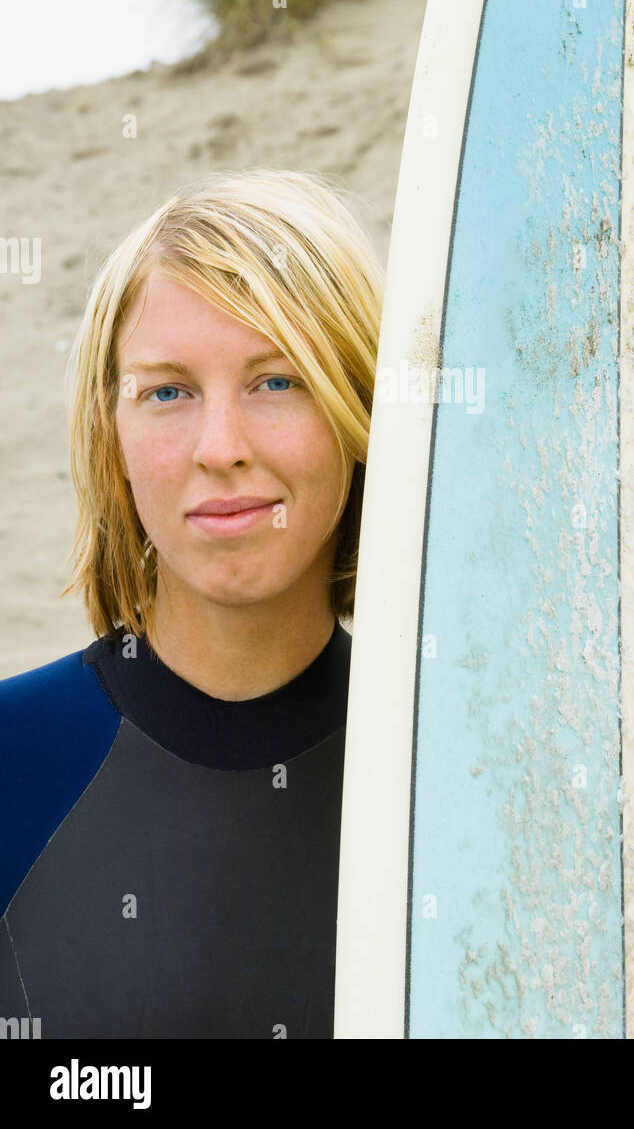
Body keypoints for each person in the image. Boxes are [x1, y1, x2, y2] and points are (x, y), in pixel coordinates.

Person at [0, 167, 383, 1039]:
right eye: (166, 391)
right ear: (113, 433)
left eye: (276, 380)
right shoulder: (11, 763)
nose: (220, 448)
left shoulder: (464, 778)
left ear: (357, 403)